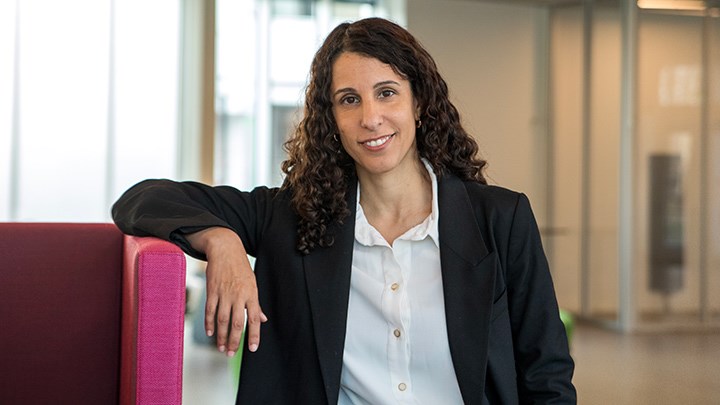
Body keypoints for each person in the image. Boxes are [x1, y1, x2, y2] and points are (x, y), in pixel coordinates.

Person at [113, 17, 576, 404]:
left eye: (387, 92)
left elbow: (546, 372)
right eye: (349, 100)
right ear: (331, 119)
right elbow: (140, 199)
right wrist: (222, 240)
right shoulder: (290, 218)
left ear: (419, 102)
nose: (370, 118)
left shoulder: (501, 219)